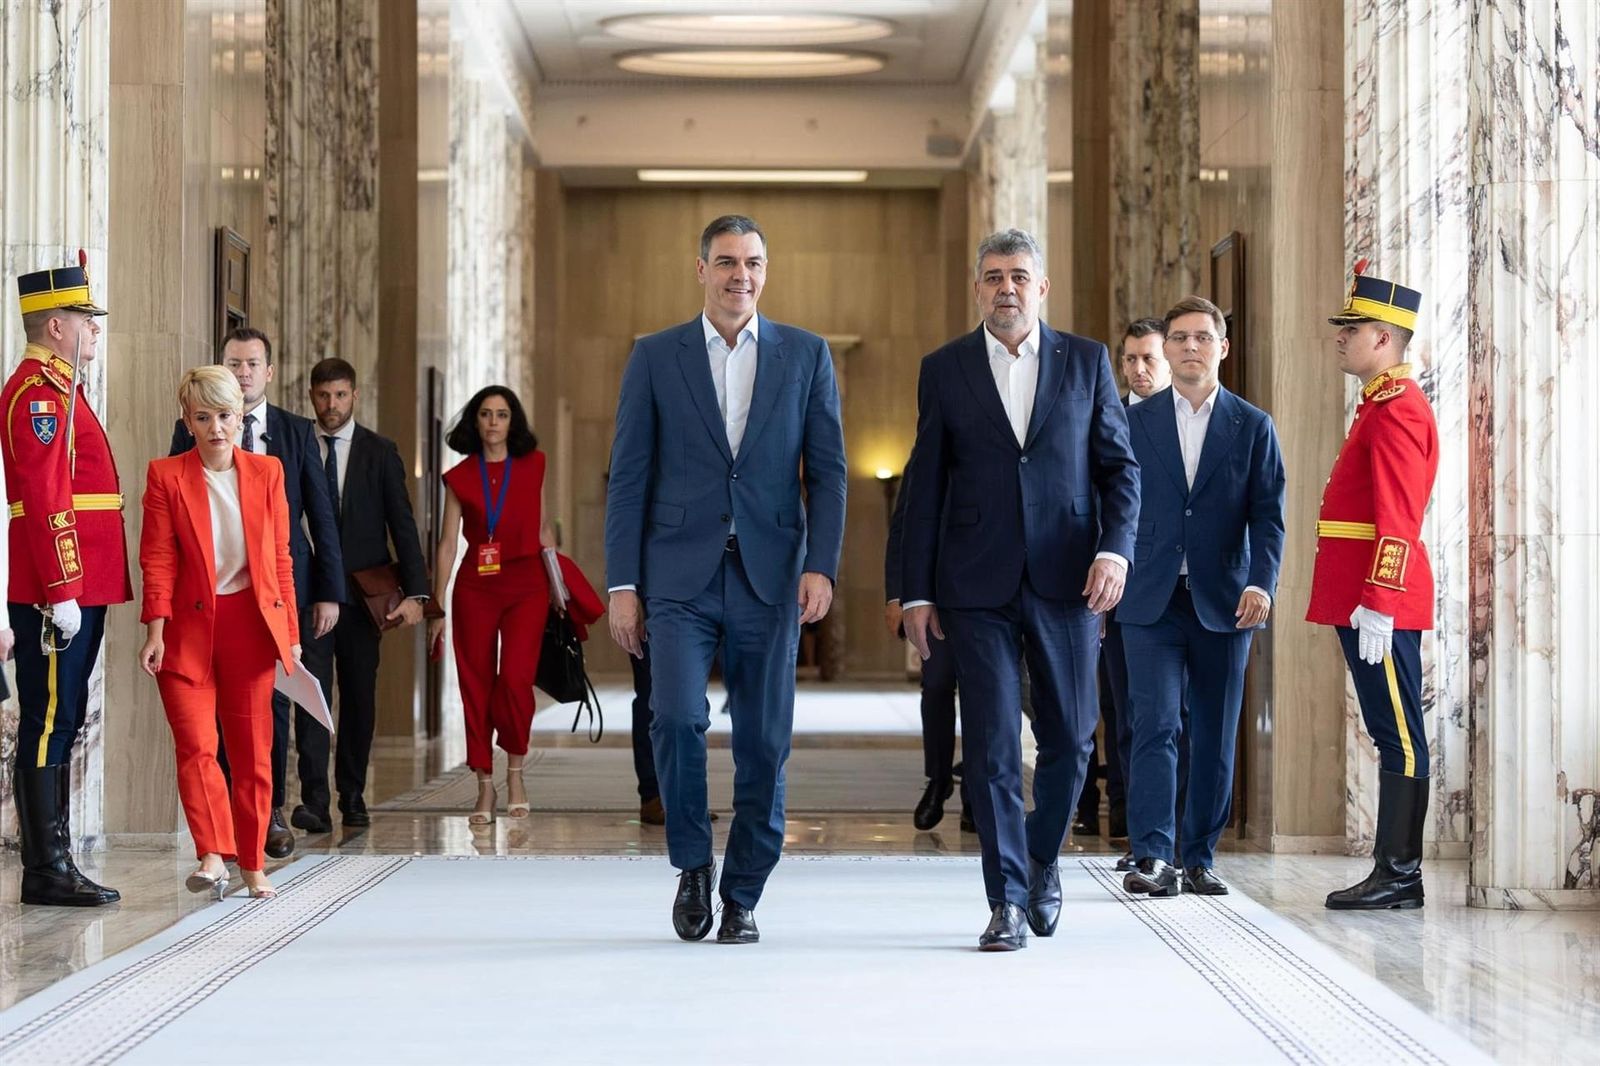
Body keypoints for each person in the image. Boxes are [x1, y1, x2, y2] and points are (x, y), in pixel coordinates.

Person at [605, 214, 847, 946]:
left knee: (765, 741)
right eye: (726, 262)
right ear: (701, 269)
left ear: (765, 272)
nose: (741, 275)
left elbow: (828, 472)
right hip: (677, 575)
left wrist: (821, 565)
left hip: (769, 578)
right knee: (676, 717)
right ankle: (692, 863)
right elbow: (629, 477)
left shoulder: (806, 354)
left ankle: (743, 891)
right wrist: (622, 584)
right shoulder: (655, 355)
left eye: (753, 263)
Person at [900, 228, 1139, 950]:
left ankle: (1040, 858)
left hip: (1069, 580)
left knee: (1071, 736)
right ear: (978, 288)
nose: (1007, 288)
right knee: (994, 745)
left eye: (1019, 276)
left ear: (1042, 288)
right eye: (994, 276)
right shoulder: (945, 369)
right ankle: (1005, 899)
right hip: (975, 583)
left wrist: (1115, 552)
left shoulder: (1086, 361)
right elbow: (923, 487)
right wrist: (915, 591)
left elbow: (1119, 470)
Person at [1117, 296, 1286, 898]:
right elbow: (1112, 503)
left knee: (1214, 731)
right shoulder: (1132, 422)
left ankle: (1199, 856)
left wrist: (1261, 582)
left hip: (1226, 600)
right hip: (1149, 599)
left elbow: (1269, 515)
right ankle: (1153, 854)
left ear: (1223, 347)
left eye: (1203, 337)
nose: (1191, 347)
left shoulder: (1253, 425)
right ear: (1166, 349)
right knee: (1155, 724)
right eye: (1180, 338)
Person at [170, 327, 343, 856]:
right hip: (211, 602)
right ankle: (228, 820)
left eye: (251, 364)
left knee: (274, 706)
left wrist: (329, 591)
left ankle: (270, 815)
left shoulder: (295, 431)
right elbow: (175, 517)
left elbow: (319, 516)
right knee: (215, 715)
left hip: (277, 591)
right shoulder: (190, 430)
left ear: (268, 371)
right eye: (233, 363)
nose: (242, 372)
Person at [138, 366, 302, 901]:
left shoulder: (268, 472)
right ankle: (212, 852)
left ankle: (252, 863)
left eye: (225, 416)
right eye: (203, 417)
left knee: (253, 754)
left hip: (250, 628)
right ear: (187, 421)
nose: (215, 428)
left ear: (240, 419)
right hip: (185, 632)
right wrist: (155, 631)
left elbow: (281, 559)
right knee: (196, 746)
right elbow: (157, 558)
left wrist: (290, 634)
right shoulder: (165, 476)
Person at [5, 254, 131, 907]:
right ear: (56, 326)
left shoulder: (60, 388)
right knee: (50, 718)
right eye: (85, 318)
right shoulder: (38, 394)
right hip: (59, 588)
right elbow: (46, 496)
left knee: (65, 714)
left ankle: (55, 860)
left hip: (82, 583)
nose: (94, 328)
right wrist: (62, 588)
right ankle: (47, 867)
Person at [1310, 264, 1438, 910]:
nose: (1340, 336)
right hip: (1362, 599)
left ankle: (1400, 873)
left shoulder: (1398, 410)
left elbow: (1399, 518)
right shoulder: (1378, 405)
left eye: (1352, 328)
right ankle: (1395, 872)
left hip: (1378, 603)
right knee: (1393, 730)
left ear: (1384, 339)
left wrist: (1380, 602)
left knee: (1400, 736)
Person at [428, 385, 563, 826]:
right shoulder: (459, 476)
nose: (493, 422)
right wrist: (436, 605)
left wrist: (559, 588)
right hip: (476, 588)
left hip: (527, 585)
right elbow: (448, 544)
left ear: (512, 421)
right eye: (485, 414)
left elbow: (543, 530)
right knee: (476, 684)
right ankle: (484, 784)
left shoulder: (534, 464)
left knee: (516, 680)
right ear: (475, 420)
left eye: (502, 414)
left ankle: (516, 772)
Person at [307, 358, 431, 829]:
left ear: (354, 396)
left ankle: (352, 793)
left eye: (340, 395)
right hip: (310, 596)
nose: (331, 405)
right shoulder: (298, 445)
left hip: (363, 601)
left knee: (359, 696)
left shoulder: (380, 452)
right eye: (324, 395)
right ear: (312, 396)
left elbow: (402, 524)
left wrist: (417, 593)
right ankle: (314, 801)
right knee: (313, 696)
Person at [1105, 317, 1188, 869]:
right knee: (1127, 714)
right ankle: (1142, 837)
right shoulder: (1109, 418)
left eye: (1148, 359)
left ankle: (1176, 839)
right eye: (1130, 359)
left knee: (1175, 717)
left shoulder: (1189, 422)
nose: (1138, 369)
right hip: (1121, 592)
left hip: (1178, 593)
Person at [884, 454, 965, 832]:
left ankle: (977, 792)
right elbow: (902, 526)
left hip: (993, 593)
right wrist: (896, 595)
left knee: (987, 694)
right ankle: (939, 778)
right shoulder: (928, 452)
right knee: (936, 685)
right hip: (936, 597)